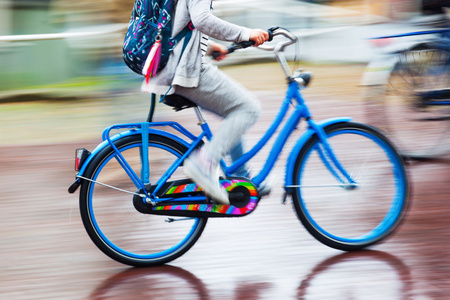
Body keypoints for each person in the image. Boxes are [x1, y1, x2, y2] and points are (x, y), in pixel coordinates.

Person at [146, 0, 269, 204]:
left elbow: (177, 22)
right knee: (248, 108)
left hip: (170, 67)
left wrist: (208, 46)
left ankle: (241, 177)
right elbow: (202, 19)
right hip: (185, 70)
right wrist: (246, 34)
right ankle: (204, 164)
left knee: (234, 113)